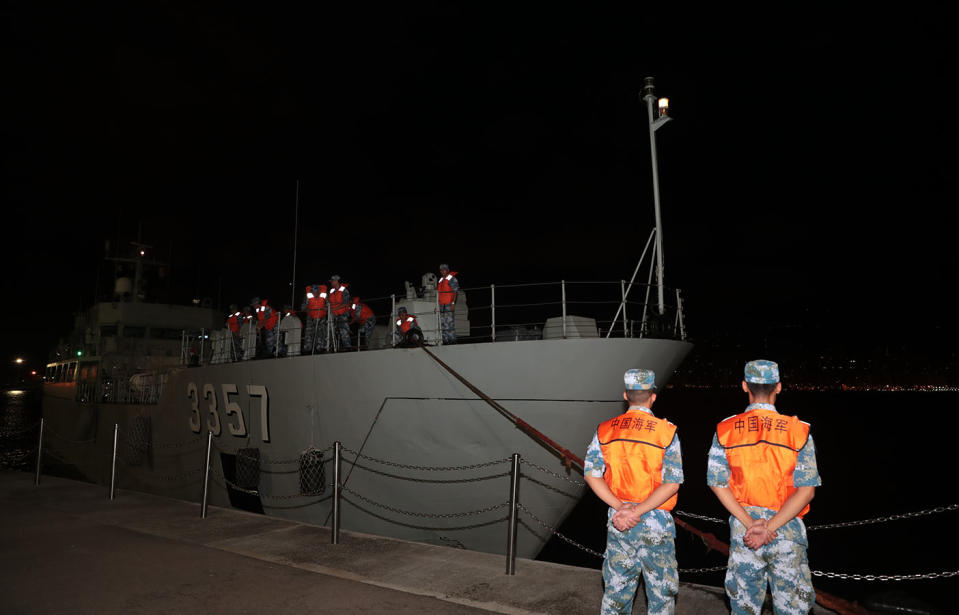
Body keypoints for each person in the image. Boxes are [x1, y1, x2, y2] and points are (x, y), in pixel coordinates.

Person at [707, 360, 820, 615]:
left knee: (744, 608)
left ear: (744, 386)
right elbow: (807, 490)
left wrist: (751, 524)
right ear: (778, 387)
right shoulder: (799, 432)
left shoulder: (726, 430)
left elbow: (717, 482)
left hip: (745, 533)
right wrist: (770, 526)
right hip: (787, 533)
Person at [584, 369, 683, 615]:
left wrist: (622, 508)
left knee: (616, 591)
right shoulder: (666, 432)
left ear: (625, 395)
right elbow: (672, 484)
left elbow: (592, 475)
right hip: (656, 520)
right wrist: (638, 510)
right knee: (661, 595)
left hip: (619, 520)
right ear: (653, 396)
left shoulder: (605, 430)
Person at [300, 284, 329, 354]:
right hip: (310, 317)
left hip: (321, 317)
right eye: (313, 292)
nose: (315, 294)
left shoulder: (324, 295)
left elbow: (329, 304)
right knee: (308, 333)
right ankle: (308, 349)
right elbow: (303, 307)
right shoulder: (308, 296)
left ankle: (320, 348)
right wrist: (306, 309)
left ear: (319, 291)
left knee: (321, 332)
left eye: (316, 292)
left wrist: (326, 308)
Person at [436, 263, 459, 344]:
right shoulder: (440, 280)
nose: (443, 271)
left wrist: (453, 303)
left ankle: (452, 341)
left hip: (449, 305)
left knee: (449, 323)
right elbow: (439, 295)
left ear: (448, 270)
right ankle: (445, 341)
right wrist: (437, 306)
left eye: (444, 269)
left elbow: (455, 292)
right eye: (441, 270)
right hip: (442, 306)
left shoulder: (452, 279)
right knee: (443, 324)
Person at [328, 275, 351, 350]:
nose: (331, 282)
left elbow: (346, 303)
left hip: (342, 315)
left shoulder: (344, 290)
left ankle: (348, 348)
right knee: (331, 332)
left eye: (332, 281)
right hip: (334, 315)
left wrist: (334, 309)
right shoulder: (331, 291)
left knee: (344, 333)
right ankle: (332, 348)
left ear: (336, 281)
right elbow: (329, 303)